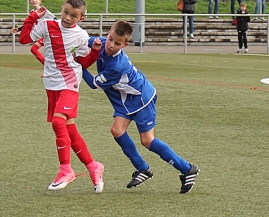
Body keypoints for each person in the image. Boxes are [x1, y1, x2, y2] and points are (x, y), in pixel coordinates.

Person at [82, 20, 199, 194]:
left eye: (117, 43)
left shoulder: (116, 65)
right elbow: (85, 39)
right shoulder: (103, 42)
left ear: (125, 45)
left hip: (142, 98)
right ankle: (143, 168)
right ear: (108, 34)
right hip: (127, 99)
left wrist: (77, 66)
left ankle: (187, 169)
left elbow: (93, 84)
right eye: (110, 39)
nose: (111, 45)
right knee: (117, 131)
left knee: (147, 141)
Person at [18, 0, 104, 192]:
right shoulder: (48, 25)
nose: (67, 18)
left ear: (81, 18)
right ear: (61, 9)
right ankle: (93, 166)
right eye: (65, 12)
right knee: (69, 129)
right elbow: (24, 39)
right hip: (51, 83)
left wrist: (95, 51)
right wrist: (33, 16)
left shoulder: (81, 36)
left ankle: (66, 170)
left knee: (58, 122)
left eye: (73, 16)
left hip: (70, 82)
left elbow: (83, 62)